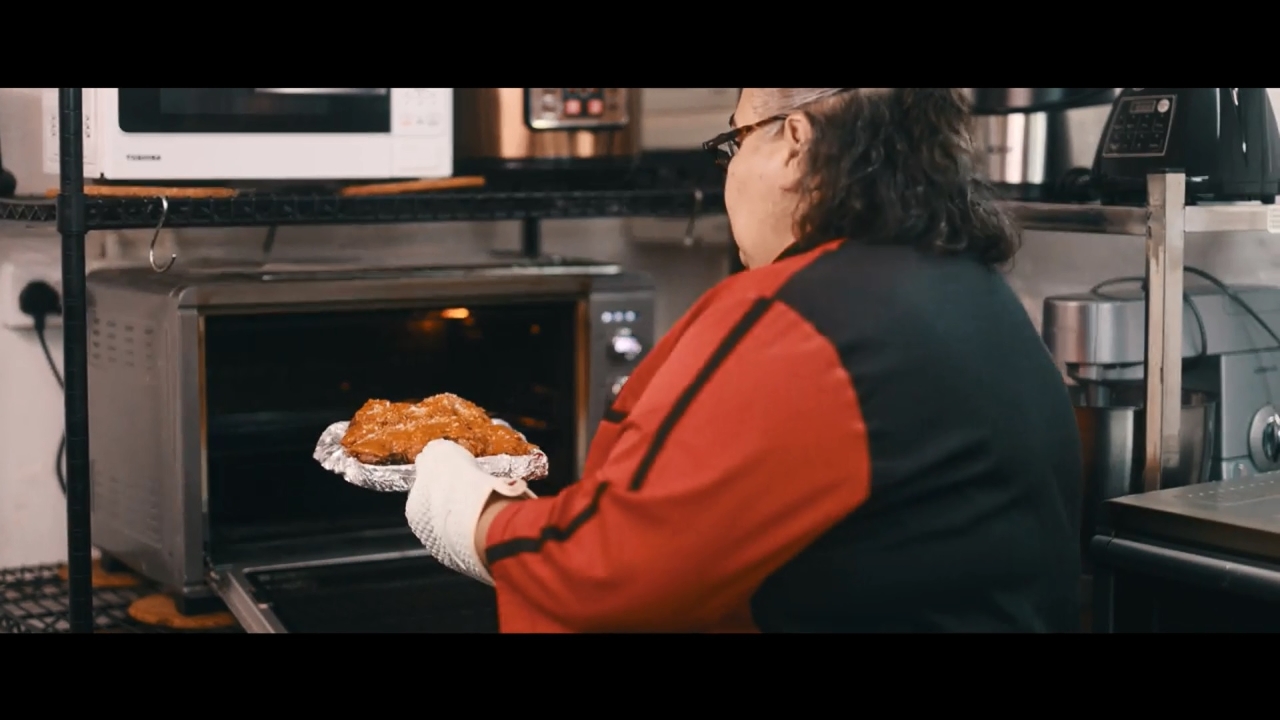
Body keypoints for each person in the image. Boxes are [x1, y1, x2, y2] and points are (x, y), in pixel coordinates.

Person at [405, 88, 1083, 632]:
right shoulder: (969, 288)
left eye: (734, 141)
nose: (729, 170)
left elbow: (612, 568)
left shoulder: (808, 317)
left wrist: (468, 509)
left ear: (795, 143)